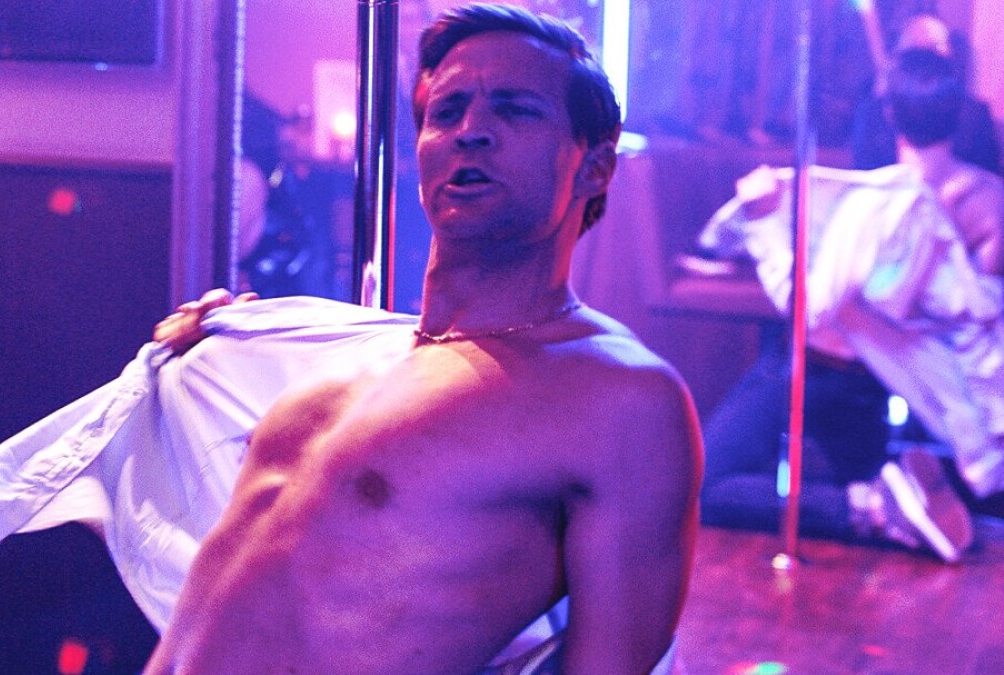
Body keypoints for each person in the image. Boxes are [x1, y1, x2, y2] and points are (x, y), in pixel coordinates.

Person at [142, 5, 702, 673]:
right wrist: (220, 351)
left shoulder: (620, 399)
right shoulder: (338, 363)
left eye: (516, 110)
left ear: (595, 168)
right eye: (448, 110)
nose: (472, 132)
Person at [698, 48, 1004, 564]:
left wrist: (764, 219)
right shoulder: (990, 198)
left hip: (818, 368)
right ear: (959, 114)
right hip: (884, 385)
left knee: (706, 486)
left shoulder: (882, 205)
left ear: (888, 115)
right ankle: (894, 492)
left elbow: (808, 309)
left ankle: (871, 507)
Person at [849, 13, 1001, 175]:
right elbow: (864, 171)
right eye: (918, 54)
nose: (925, 63)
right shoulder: (872, 114)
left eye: (934, 51)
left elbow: (988, 172)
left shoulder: (975, 115)